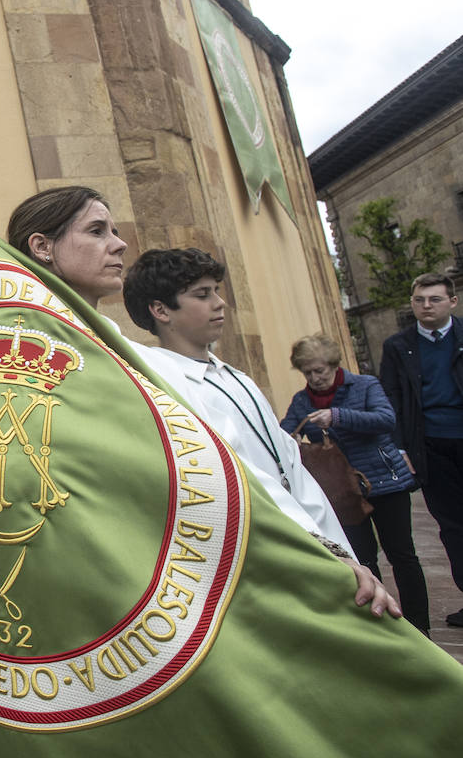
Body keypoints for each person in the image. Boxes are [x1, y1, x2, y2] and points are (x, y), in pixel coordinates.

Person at [5, 187, 396, 618]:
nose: (119, 244)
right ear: (42, 246)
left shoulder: (151, 360)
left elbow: (272, 469)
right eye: (98, 231)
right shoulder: (28, 350)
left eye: (115, 230)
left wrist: (332, 549)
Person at [120, 247, 354, 556]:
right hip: (258, 544)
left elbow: (291, 466)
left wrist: (336, 548)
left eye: (216, 291)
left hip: (309, 537)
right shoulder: (168, 389)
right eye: (203, 295)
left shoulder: (239, 380)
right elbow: (237, 478)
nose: (220, 303)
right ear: (162, 311)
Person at [281, 333, 428, 632]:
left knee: (402, 555)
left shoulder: (365, 385)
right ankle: (381, 625)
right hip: (342, 492)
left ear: (334, 364)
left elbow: (386, 420)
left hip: (385, 482)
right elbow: (283, 434)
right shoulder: (301, 401)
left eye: (319, 370)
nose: (315, 377)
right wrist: (292, 440)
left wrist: (337, 417)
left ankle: (419, 624)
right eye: (308, 372)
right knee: (362, 561)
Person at [380, 272, 463, 627]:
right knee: (453, 528)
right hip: (430, 448)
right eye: (419, 300)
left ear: (452, 302)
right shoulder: (398, 347)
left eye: (435, 299)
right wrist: (401, 446)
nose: (426, 306)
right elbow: (392, 398)